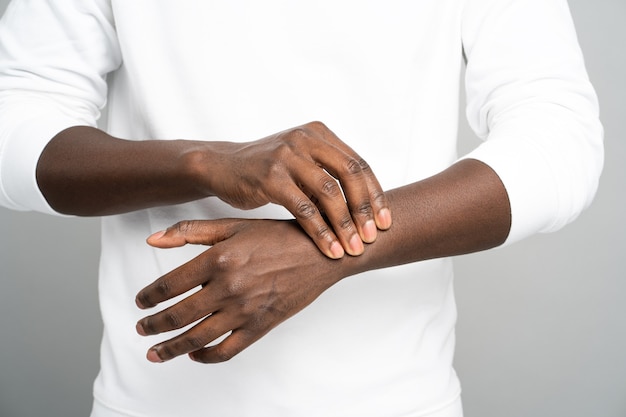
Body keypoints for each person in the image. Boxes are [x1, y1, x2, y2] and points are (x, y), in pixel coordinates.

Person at [0, 1, 603, 416]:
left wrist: (330, 253)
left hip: (395, 403)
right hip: (154, 403)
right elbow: (16, 116)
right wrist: (204, 160)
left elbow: (560, 138)